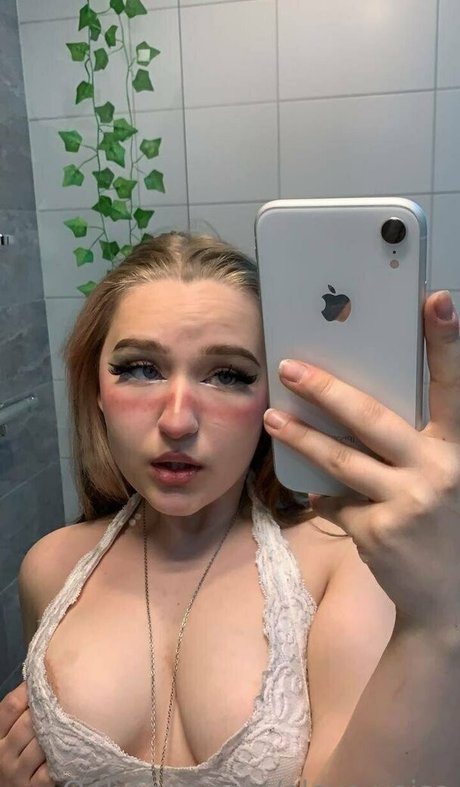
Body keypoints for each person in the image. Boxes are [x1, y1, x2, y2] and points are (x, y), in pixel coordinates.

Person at [0, 230, 459, 787]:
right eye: (140, 368)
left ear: (273, 397)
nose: (177, 421)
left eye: (228, 375)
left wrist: (440, 617)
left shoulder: (343, 567)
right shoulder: (50, 567)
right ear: (95, 387)